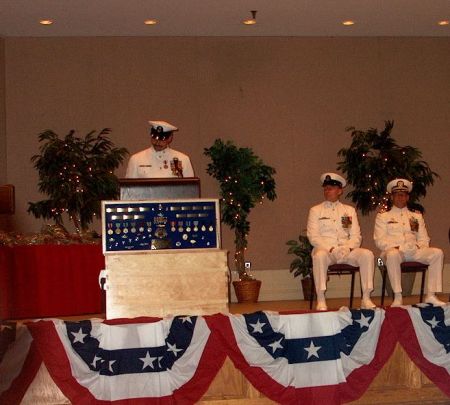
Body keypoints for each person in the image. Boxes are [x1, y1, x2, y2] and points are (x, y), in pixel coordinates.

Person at [307, 173, 376, 311]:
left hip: (346, 250)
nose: (327, 191)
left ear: (340, 190)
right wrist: (331, 249)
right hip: (326, 251)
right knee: (319, 256)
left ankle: (366, 297)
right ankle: (321, 299)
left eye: (331, 188)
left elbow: (356, 235)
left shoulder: (348, 211)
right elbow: (313, 236)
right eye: (325, 188)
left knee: (367, 254)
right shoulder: (316, 210)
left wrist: (349, 248)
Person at [374, 178, 445, 307]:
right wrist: (399, 247)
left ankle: (431, 294)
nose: (400, 198)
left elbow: (424, 239)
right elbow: (380, 240)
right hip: (393, 252)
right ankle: (398, 296)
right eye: (397, 195)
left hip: (413, 251)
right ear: (392, 197)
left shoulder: (416, 216)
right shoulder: (383, 216)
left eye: (403, 195)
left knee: (437, 253)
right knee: (392, 255)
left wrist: (417, 246)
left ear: (407, 197)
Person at [125, 120, 194, 178]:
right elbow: (129, 189)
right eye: (154, 138)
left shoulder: (183, 159)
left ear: (170, 138)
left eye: (162, 139)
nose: (157, 142)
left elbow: (190, 189)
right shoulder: (136, 159)